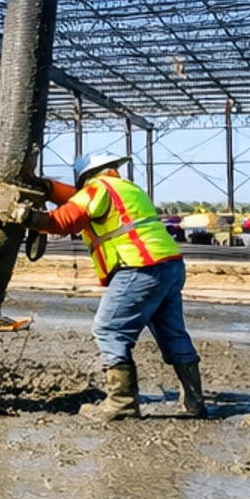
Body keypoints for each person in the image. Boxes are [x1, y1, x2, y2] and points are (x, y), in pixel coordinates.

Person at [38, 151, 205, 419]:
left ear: (84, 176)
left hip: (139, 265)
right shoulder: (127, 188)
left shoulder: (96, 189)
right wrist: (46, 188)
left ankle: (122, 403)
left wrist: (25, 217)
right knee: (173, 333)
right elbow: (72, 198)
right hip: (169, 264)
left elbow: (63, 220)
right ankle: (194, 403)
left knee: (109, 329)